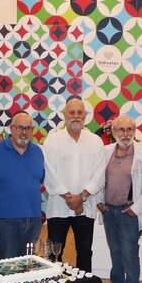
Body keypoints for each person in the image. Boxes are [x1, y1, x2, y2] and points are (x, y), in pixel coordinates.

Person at [97, 115, 142, 283]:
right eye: (121, 130)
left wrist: (135, 209)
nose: (125, 134)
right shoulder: (105, 152)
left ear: (134, 131)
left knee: (129, 255)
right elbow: (97, 179)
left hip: (129, 213)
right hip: (109, 212)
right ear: (114, 132)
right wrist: (99, 202)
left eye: (129, 129)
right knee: (115, 253)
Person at [43, 98, 104, 271]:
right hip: (58, 208)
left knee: (85, 252)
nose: (76, 116)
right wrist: (72, 199)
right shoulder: (52, 141)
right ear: (64, 115)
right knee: (54, 254)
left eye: (80, 112)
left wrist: (81, 197)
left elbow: (99, 174)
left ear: (85, 115)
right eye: (72, 112)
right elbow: (49, 173)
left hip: (86, 207)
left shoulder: (95, 141)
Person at [0, 112, 44, 258]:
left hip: (33, 220)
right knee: (7, 264)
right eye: (20, 128)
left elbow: (39, 181)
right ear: (11, 129)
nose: (24, 132)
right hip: (5, 221)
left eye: (28, 128)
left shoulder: (37, 152)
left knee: (28, 263)